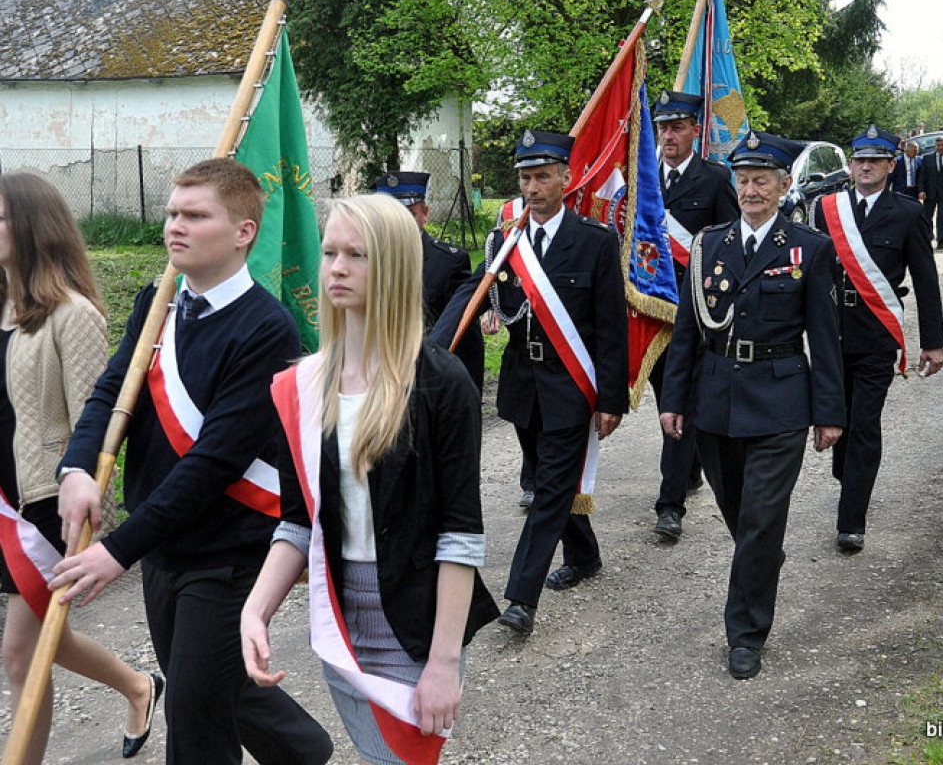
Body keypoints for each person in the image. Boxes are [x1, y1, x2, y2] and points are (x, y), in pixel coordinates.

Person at [50, 159, 333, 765]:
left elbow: (214, 463)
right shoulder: (159, 301)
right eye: (173, 213)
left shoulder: (266, 328)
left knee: (192, 713)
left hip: (229, 551)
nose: (174, 226)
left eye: (195, 215)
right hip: (167, 545)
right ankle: (305, 752)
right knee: (218, 686)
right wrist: (75, 468)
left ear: (243, 232)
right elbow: (111, 390)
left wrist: (116, 550)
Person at [240, 194, 499, 765]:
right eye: (330, 251)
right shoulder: (302, 385)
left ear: (394, 267)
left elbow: (461, 534)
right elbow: (296, 521)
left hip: (414, 624)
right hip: (342, 620)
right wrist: (255, 610)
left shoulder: (440, 382)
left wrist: (443, 662)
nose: (336, 267)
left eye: (356, 255)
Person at [658, 131, 845, 680]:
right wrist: (674, 399)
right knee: (744, 520)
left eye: (762, 180)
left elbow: (825, 336)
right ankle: (763, 563)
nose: (750, 189)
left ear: (785, 185)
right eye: (742, 180)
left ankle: (745, 633)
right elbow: (688, 332)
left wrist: (829, 412)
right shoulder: (708, 244)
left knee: (762, 521)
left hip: (781, 399)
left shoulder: (809, 249)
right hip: (715, 400)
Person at [431, 130, 629, 636]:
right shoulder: (505, 239)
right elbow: (475, 291)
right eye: (525, 177)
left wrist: (612, 398)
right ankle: (584, 555)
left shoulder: (595, 242)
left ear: (566, 177)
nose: (533, 186)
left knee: (548, 492)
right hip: (523, 382)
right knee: (546, 479)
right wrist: (431, 348)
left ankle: (521, 596)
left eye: (543, 176)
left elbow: (610, 327)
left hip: (570, 384)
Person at [0, 173, 160, 763]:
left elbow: (98, 426)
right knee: (43, 639)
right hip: (3, 500)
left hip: (45, 503)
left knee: (22, 654)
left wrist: (93, 513)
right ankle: (139, 685)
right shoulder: (2, 308)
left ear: (32, 226)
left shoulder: (73, 315)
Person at [811, 126, 943, 552]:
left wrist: (933, 341)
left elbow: (926, 280)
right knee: (839, 418)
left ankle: (851, 520)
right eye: (858, 160)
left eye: (874, 160)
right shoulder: (826, 209)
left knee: (864, 423)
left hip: (875, 336)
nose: (865, 167)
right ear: (850, 165)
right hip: (830, 335)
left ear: (891, 165)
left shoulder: (907, 214)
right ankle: (849, 476)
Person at [648, 90, 739, 540]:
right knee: (665, 399)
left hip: (695, 314)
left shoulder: (714, 178)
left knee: (677, 400)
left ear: (695, 130)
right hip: (648, 315)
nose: (668, 135)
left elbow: (730, 244)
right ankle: (689, 468)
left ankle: (670, 505)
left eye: (677, 126)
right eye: (662, 127)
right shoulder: (641, 179)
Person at [371, 171, 485, 392]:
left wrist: (467, 393)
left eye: (408, 215)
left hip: (429, 382)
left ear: (425, 213)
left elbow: (464, 335)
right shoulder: (363, 261)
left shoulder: (449, 262)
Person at [917, 134, 943, 249]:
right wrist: (921, 190)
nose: (941, 147)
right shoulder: (927, 158)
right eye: (939, 145)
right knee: (927, 216)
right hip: (930, 192)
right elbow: (922, 176)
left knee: (942, 216)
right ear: (935, 146)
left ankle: (940, 240)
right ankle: (929, 235)